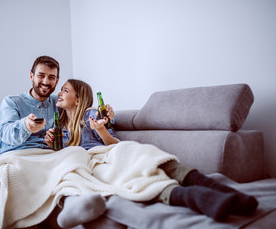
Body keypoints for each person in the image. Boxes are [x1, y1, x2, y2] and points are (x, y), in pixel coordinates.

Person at [45, 79, 259, 228]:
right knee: (138, 180)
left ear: (78, 97)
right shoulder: (60, 127)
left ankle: (222, 191)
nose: (59, 93)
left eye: (65, 90)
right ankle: (196, 198)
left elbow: (113, 142)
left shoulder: (91, 113)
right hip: (95, 165)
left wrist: (101, 130)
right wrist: (51, 144)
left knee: (147, 155)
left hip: (111, 150)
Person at [0, 55, 115, 154]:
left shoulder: (59, 103)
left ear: (57, 80)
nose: (46, 81)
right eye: (41, 75)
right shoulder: (12, 102)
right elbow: (5, 134)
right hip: (19, 154)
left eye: (51, 77)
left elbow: (84, 111)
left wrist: (107, 113)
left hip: (49, 156)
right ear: (31, 76)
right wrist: (26, 126)